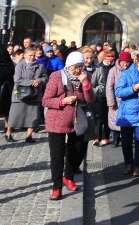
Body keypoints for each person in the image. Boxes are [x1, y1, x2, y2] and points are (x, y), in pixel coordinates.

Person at [42, 51, 94, 200]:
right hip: (57, 121)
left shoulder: (86, 77)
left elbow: (89, 99)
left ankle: (68, 177)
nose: (78, 70)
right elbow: (46, 100)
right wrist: (62, 101)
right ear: (69, 66)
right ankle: (56, 187)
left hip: (77, 121)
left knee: (77, 151)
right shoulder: (57, 76)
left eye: (80, 67)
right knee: (57, 156)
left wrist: (85, 84)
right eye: (75, 68)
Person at [115, 52, 139, 177]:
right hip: (127, 113)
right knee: (126, 141)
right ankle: (128, 164)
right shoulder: (126, 74)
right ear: (138, 63)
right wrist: (132, 89)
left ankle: (138, 166)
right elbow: (118, 92)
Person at [7, 46, 46, 142]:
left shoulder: (40, 66)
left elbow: (45, 77)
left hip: (34, 94)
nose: (32, 57)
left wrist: (39, 81)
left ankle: (29, 136)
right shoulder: (20, 65)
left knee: (33, 116)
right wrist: (32, 82)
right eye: (30, 55)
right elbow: (17, 80)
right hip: (20, 94)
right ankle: (8, 133)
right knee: (15, 115)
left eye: (34, 55)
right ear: (24, 55)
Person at [106, 51, 131, 148]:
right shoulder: (113, 70)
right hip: (116, 101)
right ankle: (115, 140)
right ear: (120, 61)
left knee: (126, 123)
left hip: (128, 100)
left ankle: (125, 140)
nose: (125, 64)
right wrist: (111, 102)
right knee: (115, 122)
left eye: (128, 62)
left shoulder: (132, 70)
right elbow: (109, 87)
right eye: (123, 62)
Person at [91, 49, 115, 146]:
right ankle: (97, 137)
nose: (109, 59)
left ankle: (106, 137)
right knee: (98, 118)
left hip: (112, 95)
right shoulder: (98, 68)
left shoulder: (115, 67)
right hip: (100, 96)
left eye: (111, 57)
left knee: (108, 117)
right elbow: (94, 82)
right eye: (107, 57)